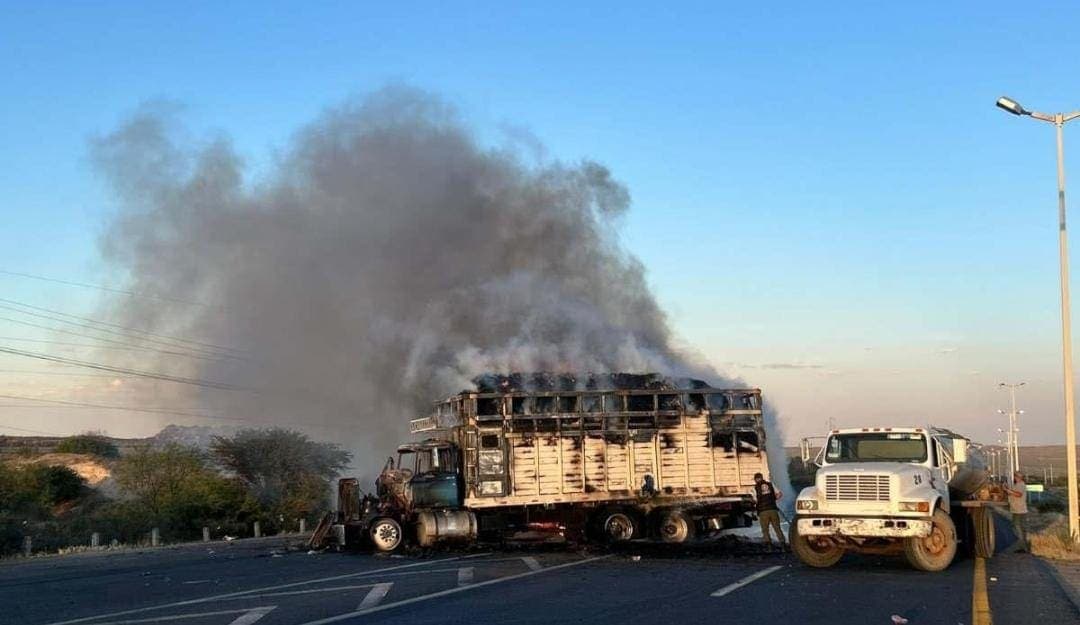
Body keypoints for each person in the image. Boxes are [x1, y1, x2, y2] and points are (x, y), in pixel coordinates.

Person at [753, 472, 786, 550]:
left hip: (763, 512)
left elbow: (755, 501)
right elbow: (780, 494)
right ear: (762, 477)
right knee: (777, 528)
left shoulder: (754, 488)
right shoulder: (771, 484)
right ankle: (783, 545)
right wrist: (773, 499)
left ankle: (769, 546)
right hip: (773, 510)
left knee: (765, 530)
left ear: (755, 480)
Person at [1003, 471, 1029, 552]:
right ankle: (1023, 546)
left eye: (1015, 476)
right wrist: (1007, 490)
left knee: (1017, 528)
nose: (1015, 478)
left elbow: (1018, 494)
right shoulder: (1017, 485)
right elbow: (1013, 494)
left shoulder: (1021, 485)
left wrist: (1009, 491)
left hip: (1019, 510)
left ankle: (1023, 547)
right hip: (1017, 509)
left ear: (1018, 477)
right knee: (1019, 528)